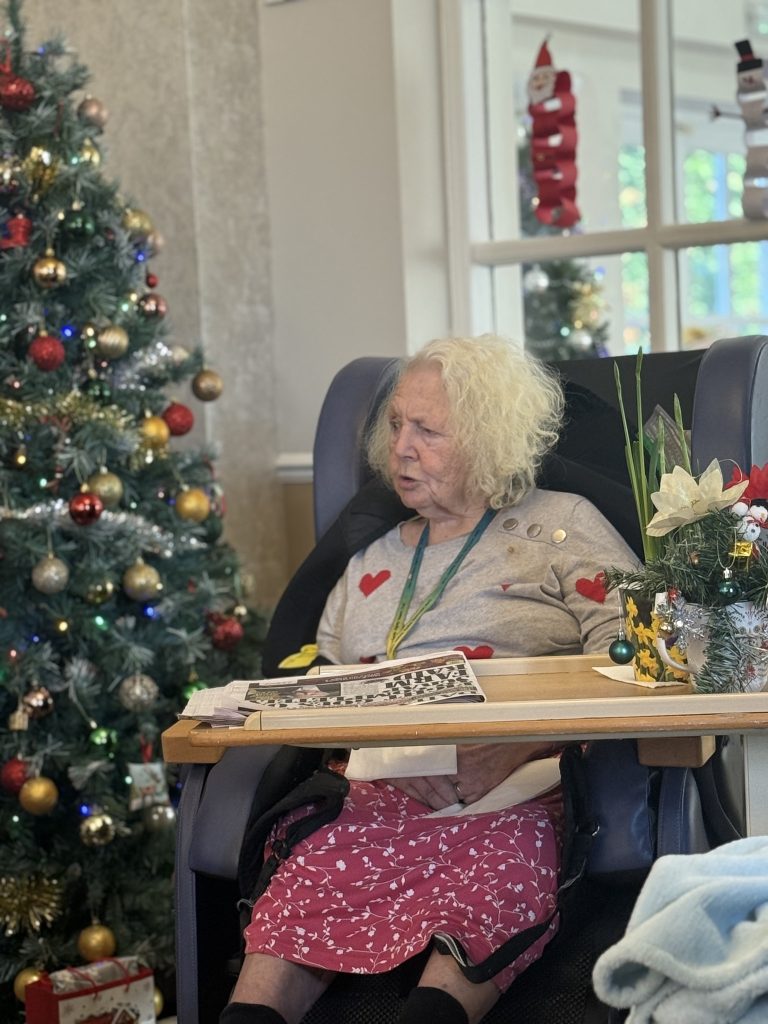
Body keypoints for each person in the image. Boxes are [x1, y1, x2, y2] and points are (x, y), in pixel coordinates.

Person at [222, 335, 637, 1024]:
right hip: (371, 800)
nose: (400, 449)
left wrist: (516, 747)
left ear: (488, 441)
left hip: (514, 794)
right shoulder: (368, 561)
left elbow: (634, 657)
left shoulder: (562, 527)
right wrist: (378, 751)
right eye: (394, 426)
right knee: (291, 900)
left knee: (493, 879)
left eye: (428, 431)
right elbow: (321, 685)